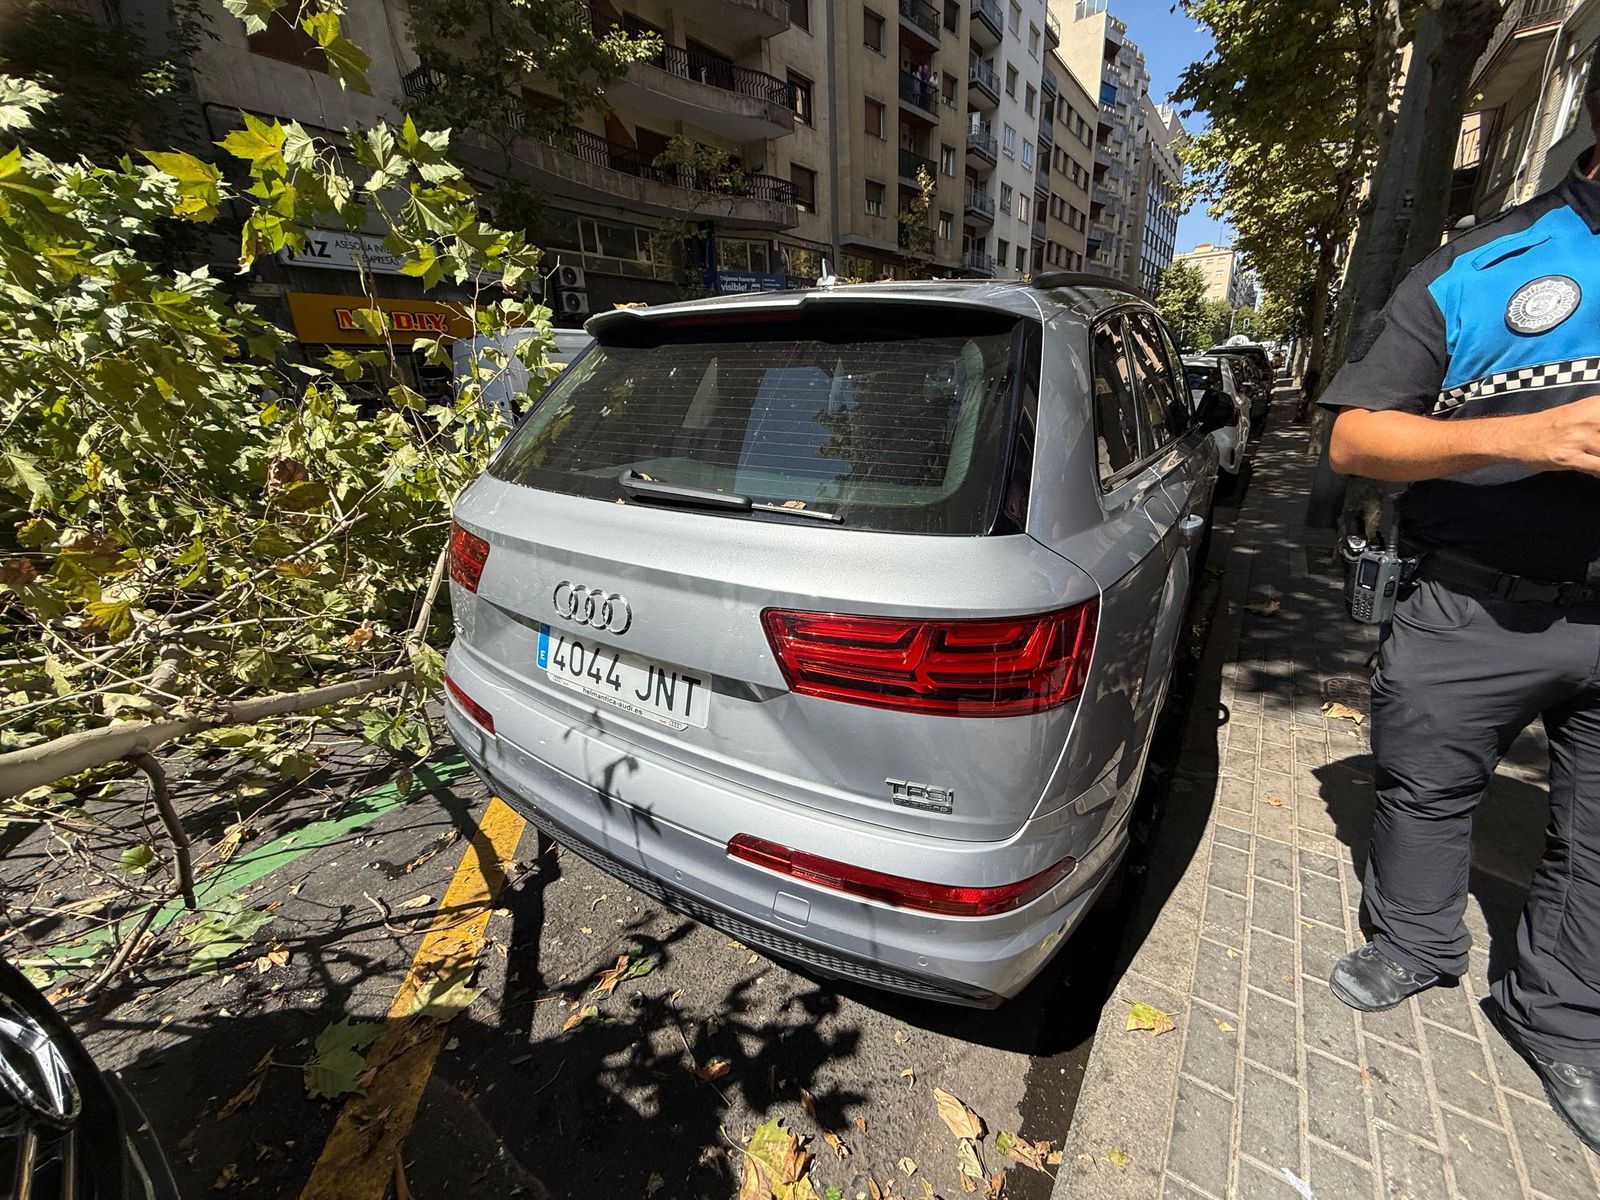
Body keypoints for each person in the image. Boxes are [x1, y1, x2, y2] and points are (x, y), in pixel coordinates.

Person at [1320, 45, 1600, 1151]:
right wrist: (1531, 435)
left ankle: (1563, 1024)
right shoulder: (1484, 264)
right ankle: (1414, 946)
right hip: (1472, 606)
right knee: (1426, 790)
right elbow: (1351, 436)